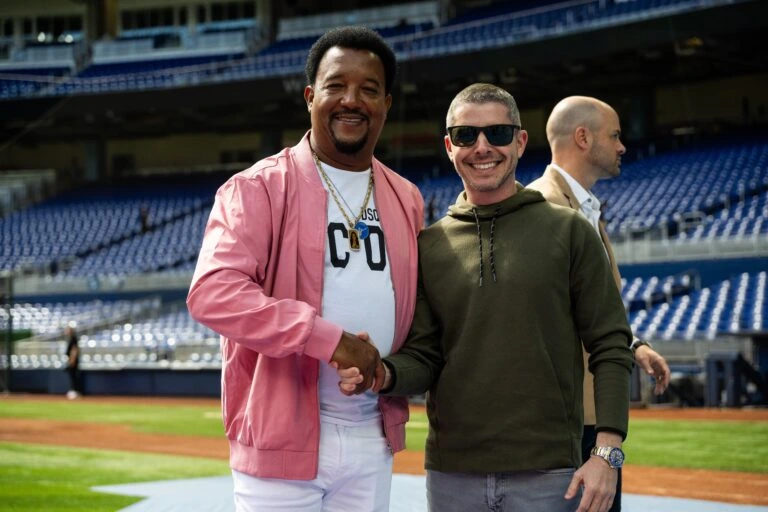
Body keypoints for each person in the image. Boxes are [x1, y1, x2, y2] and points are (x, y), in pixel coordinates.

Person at [339, 83, 634, 512]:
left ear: (520, 141)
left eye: (497, 133)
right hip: (452, 477)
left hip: (550, 475)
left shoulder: (569, 230)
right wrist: (380, 372)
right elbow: (425, 356)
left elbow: (610, 343)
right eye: (465, 136)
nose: (482, 147)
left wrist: (607, 452)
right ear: (449, 147)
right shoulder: (428, 246)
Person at [186, 26, 424, 512]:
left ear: (386, 104)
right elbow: (212, 292)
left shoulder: (407, 198)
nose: (351, 100)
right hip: (280, 440)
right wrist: (330, 340)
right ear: (311, 96)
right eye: (336, 86)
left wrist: (385, 372)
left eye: (368, 89)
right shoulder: (256, 188)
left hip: (372, 432)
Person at [527, 96, 672, 512]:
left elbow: (586, 307)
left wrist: (632, 344)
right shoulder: (542, 207)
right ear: (583, 138)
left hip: (591, 418)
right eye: (615, 136)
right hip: (564, 421)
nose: (622, 146)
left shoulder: (585, 206)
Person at [64, 324, 81, 399]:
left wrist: (72, 360)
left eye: (68, 330)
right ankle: (74, 391)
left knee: (73, 377)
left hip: (73, 361)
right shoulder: (70, 338)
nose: (66, 331)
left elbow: (74, 350)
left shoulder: (73, 338)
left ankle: (74, 392)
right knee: (72, 376)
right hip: (71, 360)